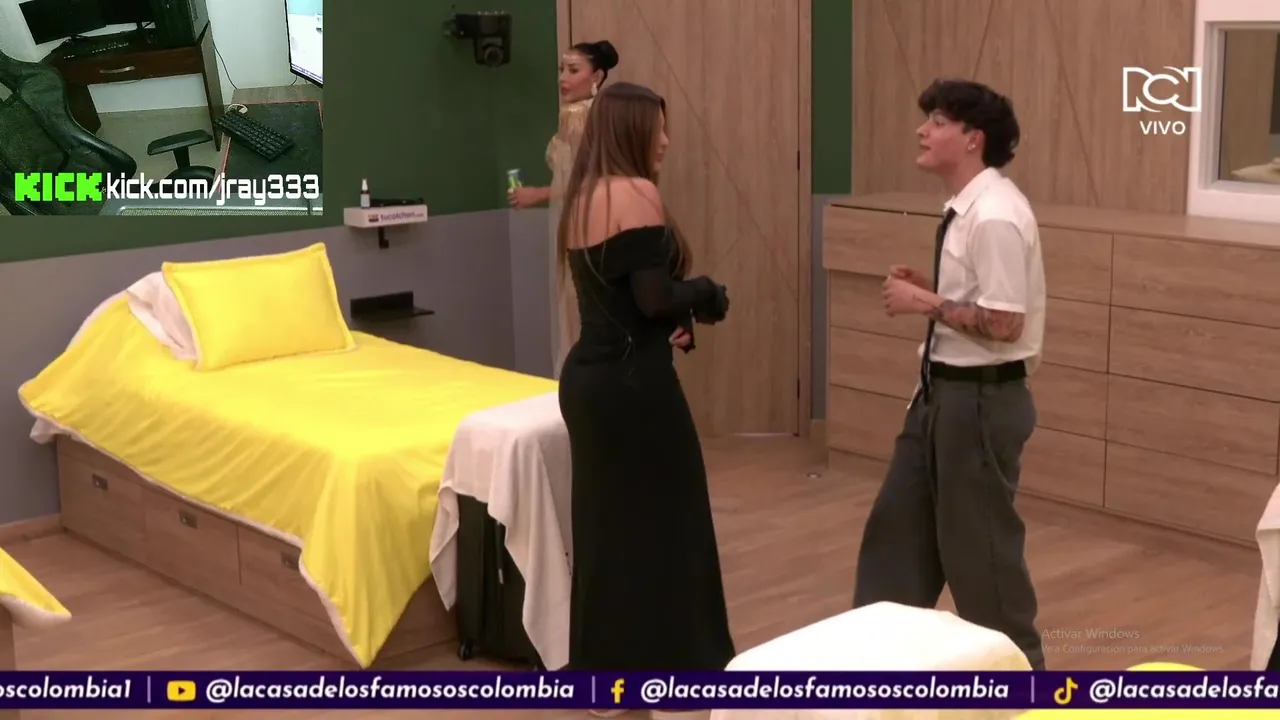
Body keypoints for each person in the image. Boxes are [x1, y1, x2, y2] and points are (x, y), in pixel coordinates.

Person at [852, 78, 1048, 670]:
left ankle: (1023, 692)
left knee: (983, 562)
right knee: (895, 546)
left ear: (972, 139)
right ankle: (876, 680)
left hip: (980, 405)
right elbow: (984, 304)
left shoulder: (995, 215)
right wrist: (937, 291)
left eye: (937, 121)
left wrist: (924, 301)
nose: (923, 130)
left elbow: (1006, 323)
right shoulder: (968, 210)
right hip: (939, 397)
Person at [557, 81, 734, 714]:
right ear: (633, 130)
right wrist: (707, 294)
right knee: (671, 531)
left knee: (609, 535)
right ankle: (680, 681)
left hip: (591, 380)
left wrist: (670, 322)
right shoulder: (636, 192)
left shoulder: (581, 197)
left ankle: (612, 688)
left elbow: (626, 301)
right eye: (659, 128)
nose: (665, 140)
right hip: (634, 387)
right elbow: (655, 297)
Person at [509, 40, 620, 378]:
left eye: (573, 70)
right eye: (561, 69)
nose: (563, 78)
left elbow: (586, 183)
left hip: (583, 222)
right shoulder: (597, 114)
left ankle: (580, 385)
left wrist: (539, 193)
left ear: (596, 76)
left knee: (577, 306)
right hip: (590, 220)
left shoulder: (579, 116)